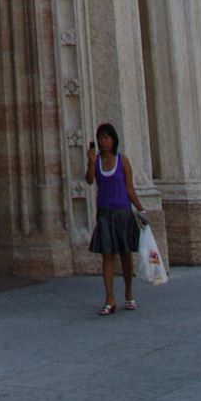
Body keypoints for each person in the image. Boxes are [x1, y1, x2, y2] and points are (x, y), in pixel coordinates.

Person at [85, 122, 147, 314]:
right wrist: (90, 162)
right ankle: (110, 298)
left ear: (113, 140)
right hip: (104, 212)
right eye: (100, 138)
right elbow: (88, 180)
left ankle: (129, 293)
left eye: (106, 138)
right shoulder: (97, 162)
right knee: (108, 256)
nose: (103, 142)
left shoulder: (123, 161)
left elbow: (129, 188)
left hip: (123, 212)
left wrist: (141, 210)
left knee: (126, 255)